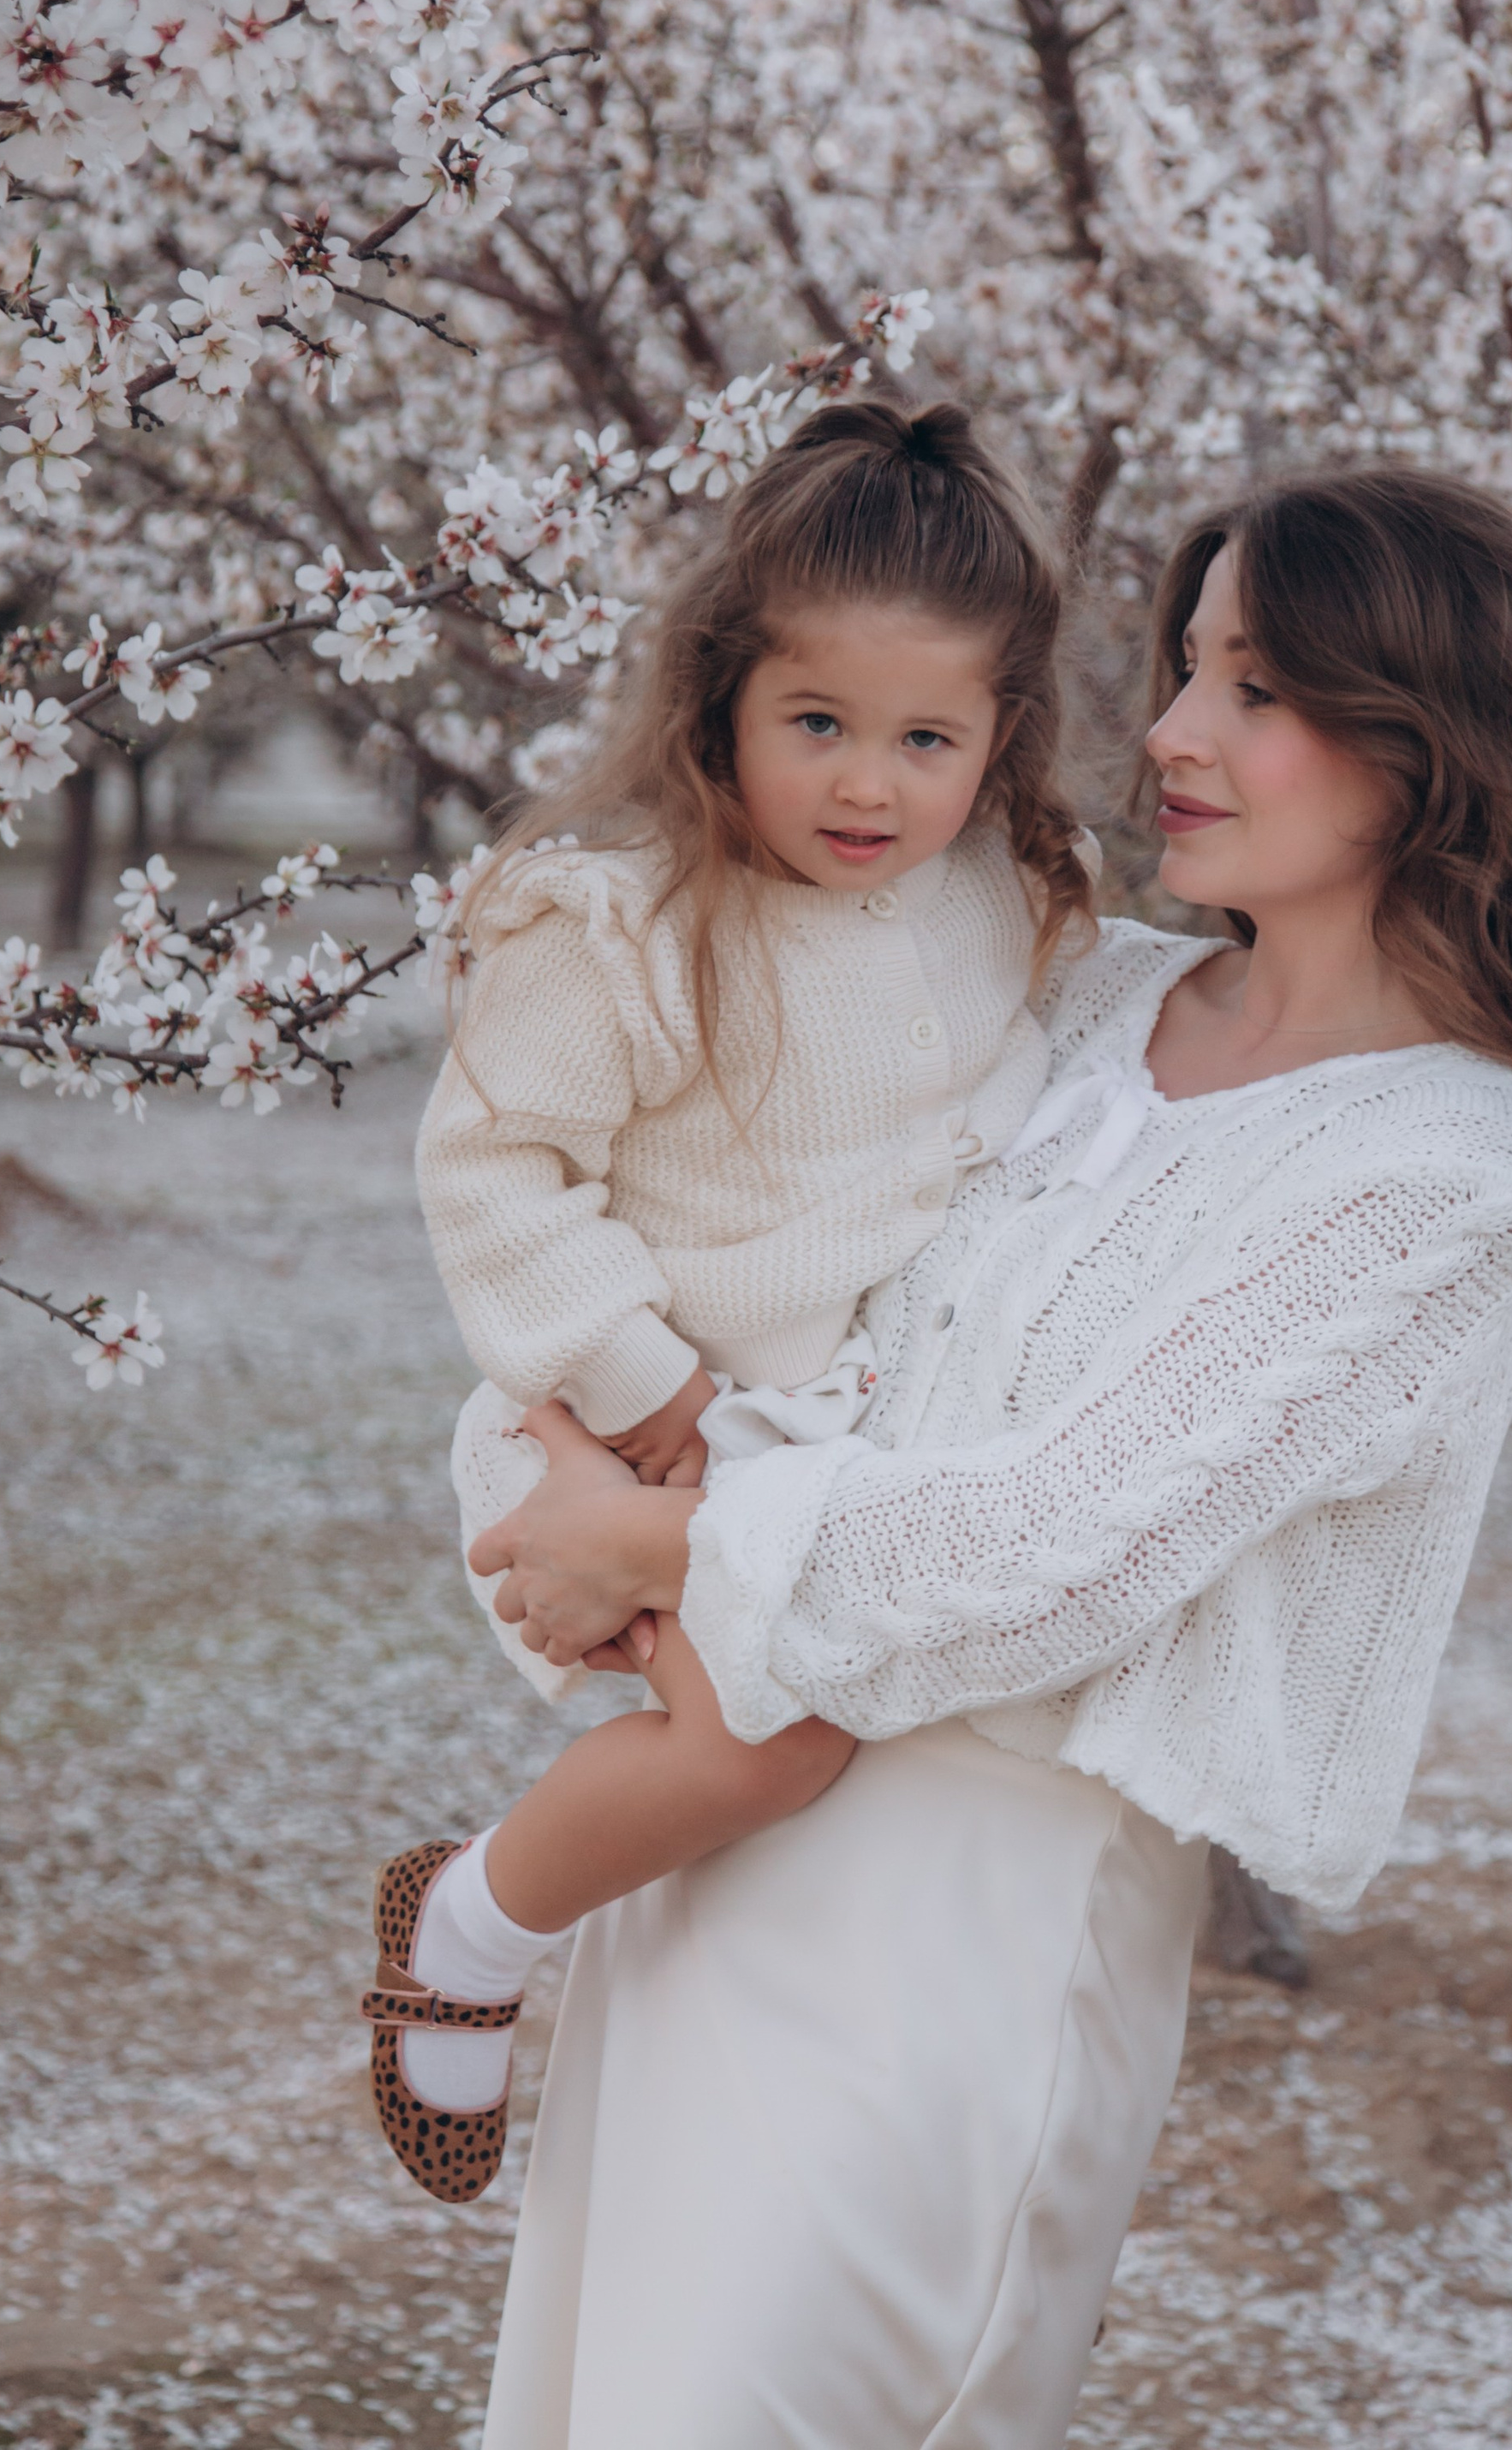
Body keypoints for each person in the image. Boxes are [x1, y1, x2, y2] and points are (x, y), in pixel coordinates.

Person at [467, 462, 1512, 2450]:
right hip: (720, 1825)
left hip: (978, 1921)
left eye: (1258, 690)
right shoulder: (1083, 982)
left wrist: (667, 1545)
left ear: (1430, 745)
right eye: (1186, 670)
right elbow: (748, 1232)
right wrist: (567, 1461)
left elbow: (1064, 1548)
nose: (1174, 734)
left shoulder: (1439, 1167)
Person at [365, 398, 1094, 2202]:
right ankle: (467, 1924)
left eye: (927, 737)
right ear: (722, 707)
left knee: (835, 1757)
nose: (869, 785)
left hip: (831, 1445)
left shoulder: (992, 892)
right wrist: (636, 1380)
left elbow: (1010, 1080)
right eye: (818, 725)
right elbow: (491, 1166)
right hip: (640, 1437)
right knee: (765, 1752)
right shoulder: (624, 925)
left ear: (999, 735)